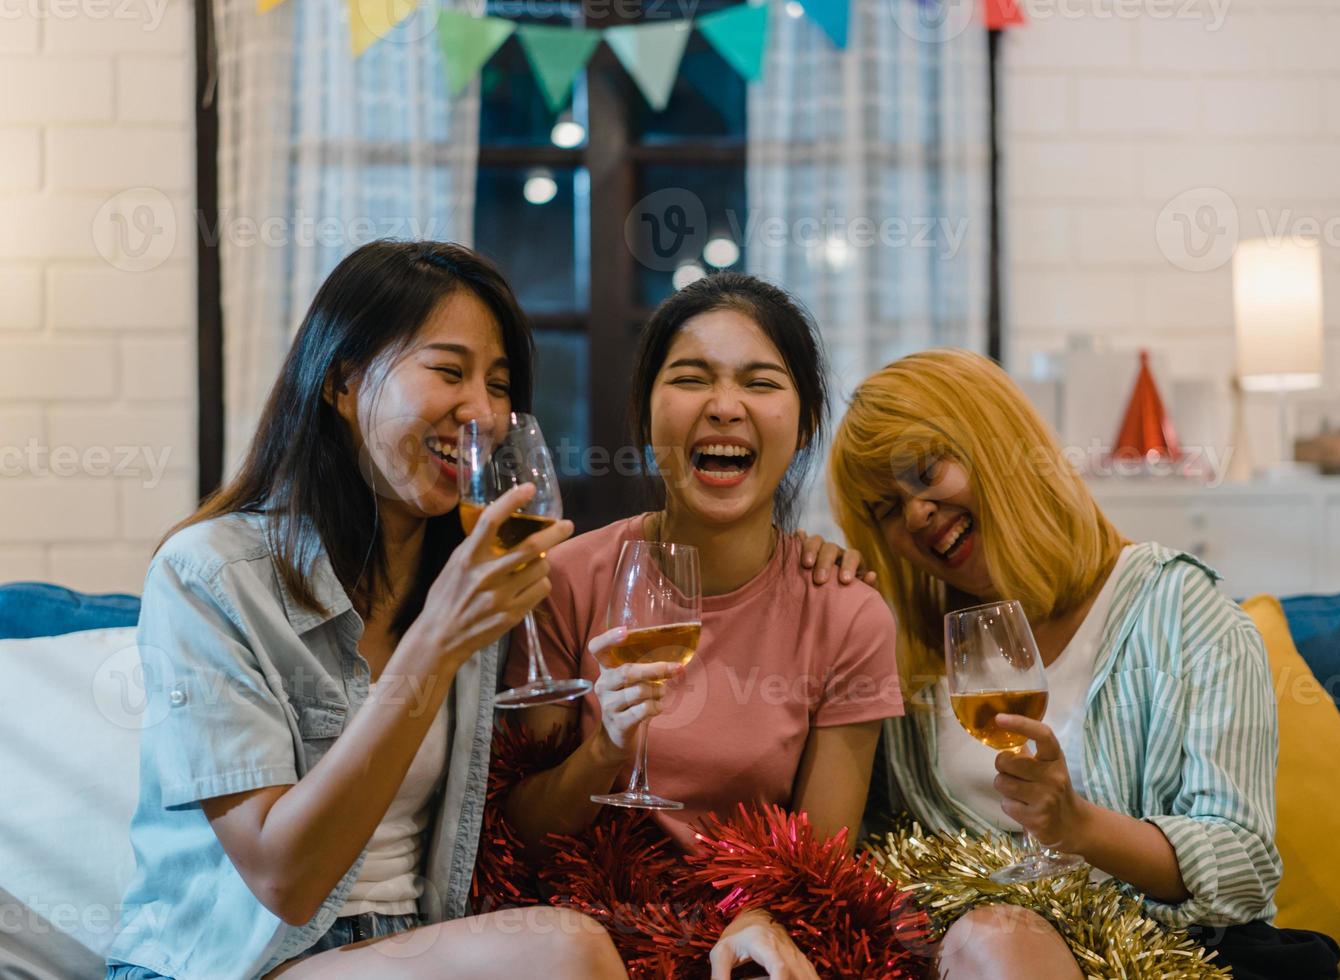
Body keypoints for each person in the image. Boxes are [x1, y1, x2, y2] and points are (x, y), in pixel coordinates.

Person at [105, 241, 627, 980]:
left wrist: (817, 556)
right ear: (342, 383)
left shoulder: (470, 574)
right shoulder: (209, 576)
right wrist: (435, 644)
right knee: (565, 952)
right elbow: (284, 879)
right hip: (229, 964)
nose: (482, 411)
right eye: (448, 371)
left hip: (405, 947)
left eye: (501, 385)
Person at [827, 347, 1339, 980]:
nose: (914, 513)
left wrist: (1078, 826)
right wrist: (811, 590)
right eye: (885, 509)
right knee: (995, 934)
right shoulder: (911, 655)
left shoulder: (1181, 612)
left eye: (926, 472)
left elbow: (1243, 866)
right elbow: (854, 848)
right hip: (982, 953)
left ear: (998, 445)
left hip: (1172, 958)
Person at [499, 272, 906, 979]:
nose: (724, 407)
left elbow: (822, 860)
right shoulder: (564, 582)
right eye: (691, 379)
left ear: (806, 421)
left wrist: (761, 918)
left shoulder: (846, 613)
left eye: (761, 382)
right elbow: (520, 840)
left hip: (755, 941)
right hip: (582, 941)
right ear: (648, 413)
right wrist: (605, 752)